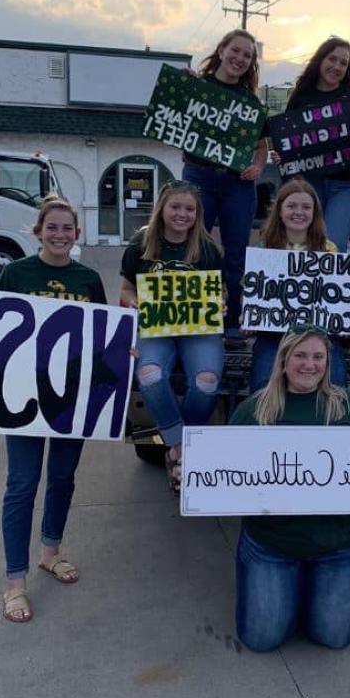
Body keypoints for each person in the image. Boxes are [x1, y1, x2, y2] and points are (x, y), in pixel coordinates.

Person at [0, 197, 108, 624]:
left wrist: (119, 350)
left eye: (66, 229)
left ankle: (50, 552)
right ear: (38, 232)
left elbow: (101, 335)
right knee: (22, 483)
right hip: (21, 397)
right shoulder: (17, 274)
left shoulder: (88, 278)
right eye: (51, 228)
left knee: (63, 478)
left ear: (77, 234)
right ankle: (14, 581)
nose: (59, 235)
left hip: (71, 397)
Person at [229, 326, 350, 652]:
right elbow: (223, 475)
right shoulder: (252, 412)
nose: (309, 365)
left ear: (328, 361)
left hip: (340, 544)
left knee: (334, 637)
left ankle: (310, 586)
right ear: (283, 359)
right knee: (261, 639)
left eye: (318, 357)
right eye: (300, 355)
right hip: (272, 544)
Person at [120, 180, 225, 492]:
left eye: (189, 209)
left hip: (198, 330)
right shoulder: (140, 244)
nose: (182, 214)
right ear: (162, 209)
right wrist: (132, 300)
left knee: (207, 382)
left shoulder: (206, 248)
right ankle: (179, 447)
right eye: (175, 207)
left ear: (197, 213)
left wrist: (220, 300)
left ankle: (184, 442)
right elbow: (126, 288)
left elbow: (220, 289)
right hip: (156, 329)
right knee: (150, 376)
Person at [182, 29, 268, 346]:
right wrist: (179, 90)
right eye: (236, 50)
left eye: (247, 55)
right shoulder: (198, 88)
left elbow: (261, 147)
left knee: (236, 256)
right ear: (221, 50)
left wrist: (258, 166)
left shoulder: (251, 103)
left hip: (237, 185)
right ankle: (192, 319)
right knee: (193, 249)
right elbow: (174, 116)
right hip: (198, 176)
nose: (240, 59)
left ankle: (231, 322)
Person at [283, 37, 350, 252]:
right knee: (302, 245)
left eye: (343, 63)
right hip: (308, 183)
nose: (337, 66)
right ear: (320, 60)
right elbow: (287, 141)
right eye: (333, 59)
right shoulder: (301, 97)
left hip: (346, 184)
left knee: (333, 246)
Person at [247, 178, 347, 393]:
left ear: (315, 213)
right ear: (280, 211)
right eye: (291, 206)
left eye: (306, 207)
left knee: (337, 384)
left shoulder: (329, 249)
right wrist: (248, 314)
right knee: (261, 386)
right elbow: (250, 290)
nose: (298, 212)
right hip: (274, 335)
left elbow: (337, 300)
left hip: (319, 336)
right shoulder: (263, 248)